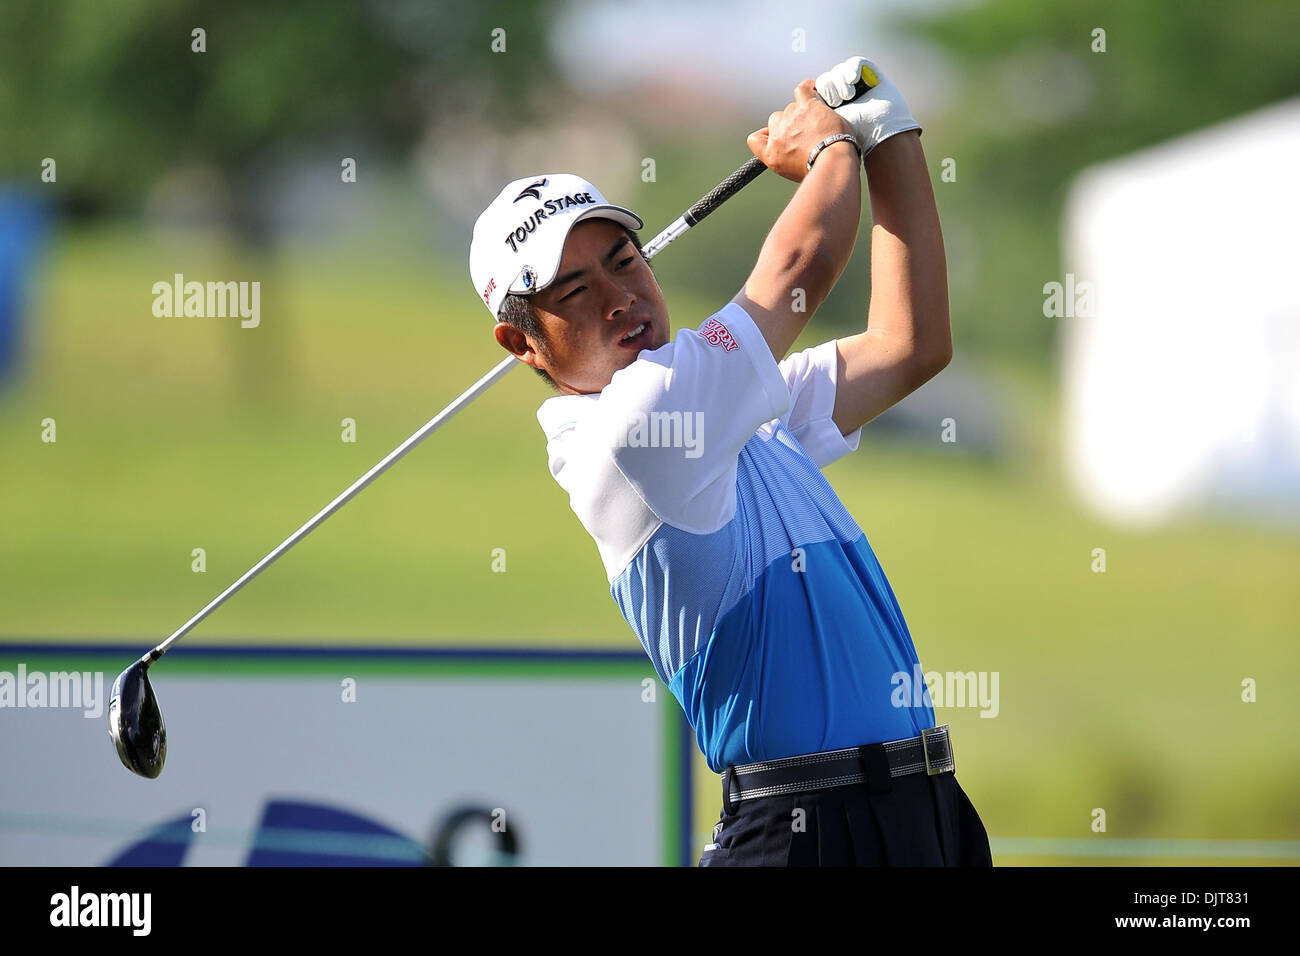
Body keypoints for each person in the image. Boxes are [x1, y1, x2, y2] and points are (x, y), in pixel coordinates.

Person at [469, 56, 993, 867]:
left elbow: (910, 343)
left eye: (625, 261)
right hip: (806, 831)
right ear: (521, 343)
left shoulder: (734, 414)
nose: (620, 298)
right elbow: (799, 268)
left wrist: (890, 135)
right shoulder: (634, 437)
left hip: (923, 813)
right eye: (572, 292)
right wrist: (829, 149)